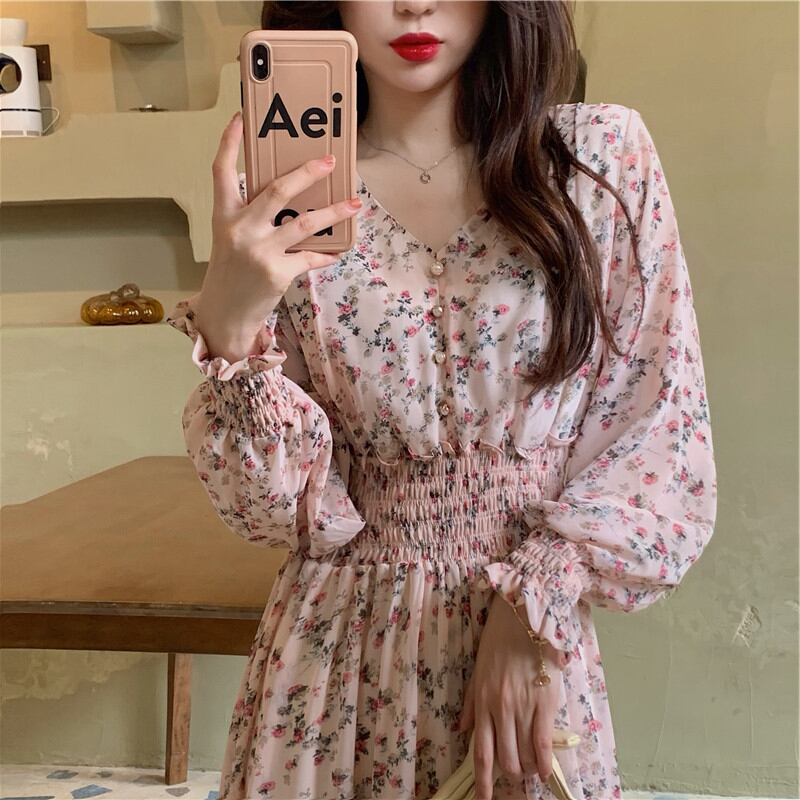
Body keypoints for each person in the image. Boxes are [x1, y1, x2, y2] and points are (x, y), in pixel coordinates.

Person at [165, 2, 718, 798]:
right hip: (333, 662)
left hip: (527, 647)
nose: (413, 4)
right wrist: (230, 321)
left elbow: (662, 433)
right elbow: (274, 509)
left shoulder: (595, 159)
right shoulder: (290, 190)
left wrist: (532, 607)